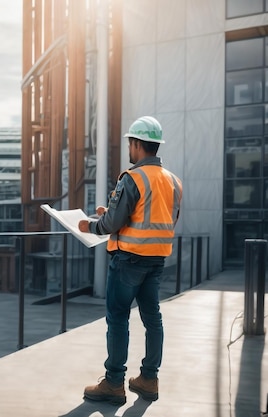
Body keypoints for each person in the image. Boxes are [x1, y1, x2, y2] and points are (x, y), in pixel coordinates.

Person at [78, 116, 183, 405]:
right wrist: (110, 212)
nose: (129, 148)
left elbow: (112, 223)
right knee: (152, 319)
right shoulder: (173, 181)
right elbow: (160, 218)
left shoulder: (133, 177)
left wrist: (92, 225)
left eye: (130, 143)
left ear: (136, 144)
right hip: (156, 260)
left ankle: (113, 384)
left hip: (129, 260)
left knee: (118, 318)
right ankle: (149, 379)